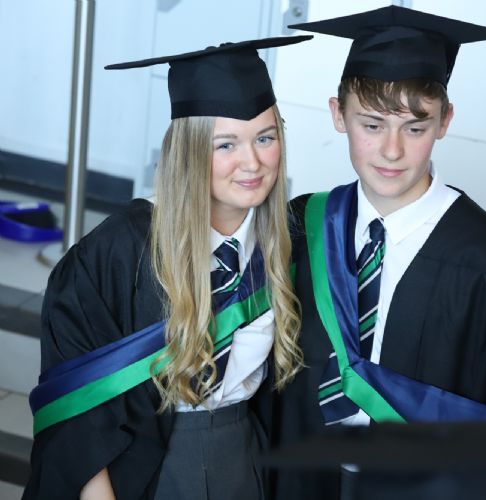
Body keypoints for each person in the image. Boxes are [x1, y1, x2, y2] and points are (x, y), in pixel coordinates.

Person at [22, 34, 312, 500]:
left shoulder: (289, 244)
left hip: (244, 460)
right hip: (140, 471)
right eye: (225, 145)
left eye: (265, 138)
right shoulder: (122, 249)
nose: (253, 162)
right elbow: (76, 402)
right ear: (190, 151)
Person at [269, 6, 486, 500]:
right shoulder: (304, 225)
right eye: (372, 125)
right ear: (338, 114)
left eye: (414, 128)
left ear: (444, 121)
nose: (392, 151)